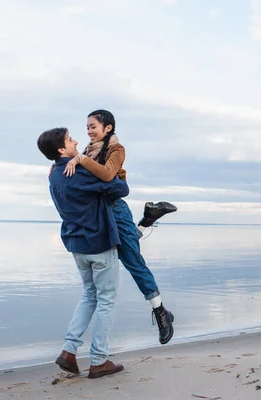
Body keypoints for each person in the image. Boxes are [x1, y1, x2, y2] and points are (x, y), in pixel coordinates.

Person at [62, 109, 175, 345]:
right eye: (87, 127)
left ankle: (161, 311)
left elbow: (107, 174)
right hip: (97, 211)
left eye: (93, 126)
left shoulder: (116, 149)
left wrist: (80, 160)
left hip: (115, 208)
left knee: (131, 259)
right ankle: (148, 219)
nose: (89, 131)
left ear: (108, 128)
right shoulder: (85, 151)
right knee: (122, 249)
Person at [37, 127, 127, 379]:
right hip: (98, 241)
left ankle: (69, 350)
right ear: (61, 149)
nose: (76, 140)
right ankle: (99, 360)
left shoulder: (54, 174)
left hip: (76, 243)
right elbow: (120, 189)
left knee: (89, 295)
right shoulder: (79, 171)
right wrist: (114, 171)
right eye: (70, 139)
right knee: (106, 299)